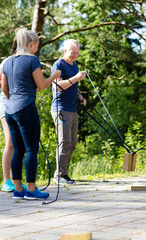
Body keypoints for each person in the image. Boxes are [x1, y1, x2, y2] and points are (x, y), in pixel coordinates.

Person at [1, 28, 61, 200]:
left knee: (18, 149)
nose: (37, 48)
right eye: (37, 44)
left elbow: (5, 89)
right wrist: (54, 76)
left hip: (10, 110)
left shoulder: (7, 61)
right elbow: (42, 85)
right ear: (32, 44)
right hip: (26, 108)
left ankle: (18, 189)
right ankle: (32, 189)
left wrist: (14, 100)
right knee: (31, 149)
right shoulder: (32, 60)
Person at [51, 39, 86, 185]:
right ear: (65, 51)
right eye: (72, 53)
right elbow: (57, 86)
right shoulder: (59, 65)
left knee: (72, 143)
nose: (75, 56)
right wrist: (76, 78)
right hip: (61, 108)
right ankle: (59, 175)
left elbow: (73, 85)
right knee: (64, 142)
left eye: (77, 53)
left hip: (72, 108)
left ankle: (64, 174)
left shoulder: (75, 65)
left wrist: (80, 96)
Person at [0, 39, 16, 192]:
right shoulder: (7, 61)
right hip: (5, 104)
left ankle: (16, 180)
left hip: (19, 105)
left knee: (18, 144)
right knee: (10, 142)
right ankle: (6, 181)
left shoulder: (29, 61)